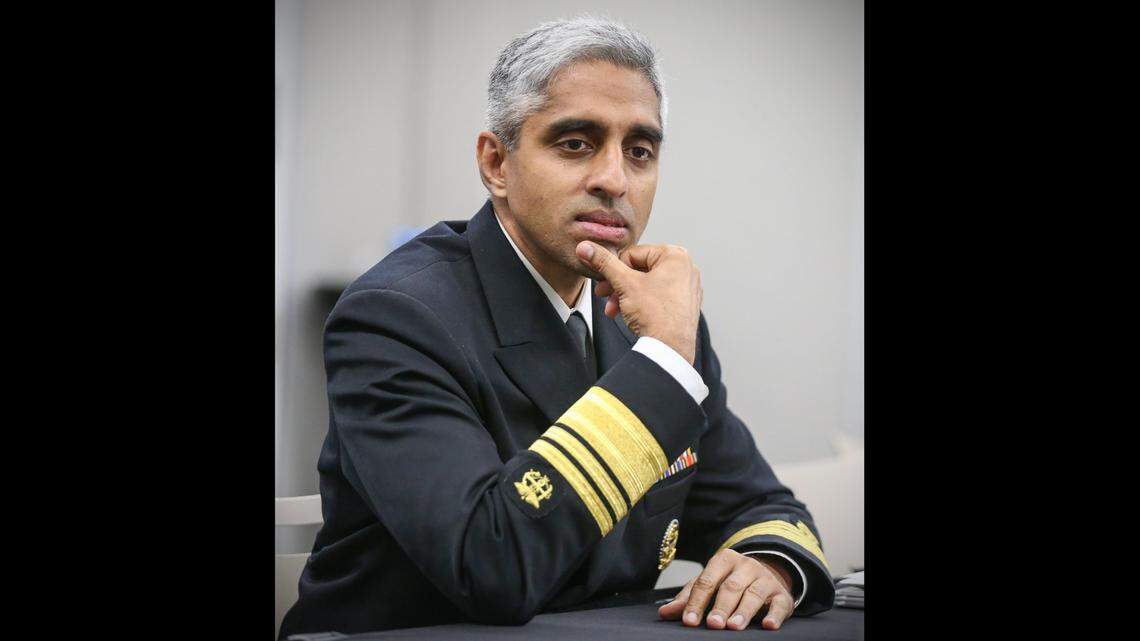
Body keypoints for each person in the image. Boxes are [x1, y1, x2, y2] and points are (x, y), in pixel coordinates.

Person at [279, 15, 835, 639]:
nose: (614, 180)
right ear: (496, 163)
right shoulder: (396, 316)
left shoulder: (654, 318)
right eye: (575, 143)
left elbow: (759, 505)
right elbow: (490, 565)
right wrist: (663, 367)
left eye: (640, 151)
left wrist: (769, 563)